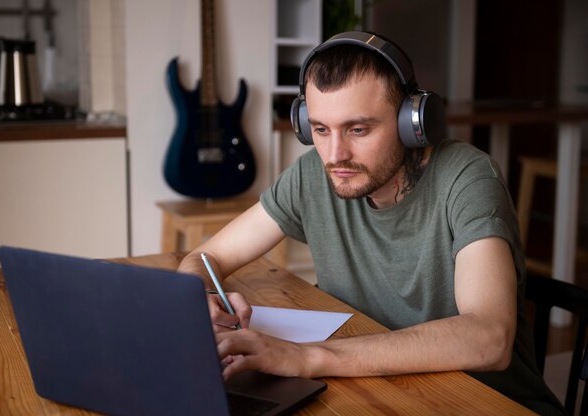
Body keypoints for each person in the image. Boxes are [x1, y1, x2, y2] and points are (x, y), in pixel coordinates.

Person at [178, 31, 565, 415]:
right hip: (377, 389)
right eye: (320, 129)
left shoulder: (468, 179)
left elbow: (489, 338)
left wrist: (307, 358)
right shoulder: (314, 173)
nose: (334, 155)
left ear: (412, 122)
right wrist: (205, 297)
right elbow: (207, 256)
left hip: (485, 402)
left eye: (358, 129)